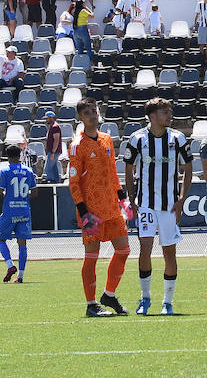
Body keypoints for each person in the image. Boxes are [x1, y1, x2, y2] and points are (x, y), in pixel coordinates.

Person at [121, 97, 192, 315]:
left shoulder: (178, 138)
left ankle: (167, 301)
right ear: (152, 116)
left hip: (169, 205)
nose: (169, 115)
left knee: (169, 252)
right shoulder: (137, 138)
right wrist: (132, 198)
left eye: (169, 111)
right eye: (165, 112)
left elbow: (188, 168)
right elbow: (129, 169)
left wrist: (181, 199)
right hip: (146, 205)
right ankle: (145, 298)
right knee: (145, 249)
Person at [69, 98, 132, 316]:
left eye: (94, 111)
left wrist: (122, 198)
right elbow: (74, 182)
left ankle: (109, 295)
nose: (92, 115)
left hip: (112, 208)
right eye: (87, 113)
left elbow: (113, 173)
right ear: (80, 118)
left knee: (124, 250)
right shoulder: (77, 145)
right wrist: (84, 212)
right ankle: (91, 305)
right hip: (92, 212)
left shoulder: (106, 139)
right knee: (91, 257)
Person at [0, 144, 35, 284]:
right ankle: (20, 276)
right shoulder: (28, 171)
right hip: (24, 210)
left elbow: (0, 192)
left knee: (1, 239)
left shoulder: (5, 171)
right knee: (22, 243)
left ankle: (10, 265)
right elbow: (35, 192)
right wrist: (23, 198)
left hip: (9, 210)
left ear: (7, 157)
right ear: (20, 155)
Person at [41, 111, 62, 182]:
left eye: (47, 118)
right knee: (54, 167)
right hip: (53, 151)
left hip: (54, 151)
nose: (46, 120)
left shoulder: (55, 127)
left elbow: (56, 140)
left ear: (51, 118)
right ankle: (57, 181)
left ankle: (50, 181)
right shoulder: (52, 126)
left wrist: (53, 152)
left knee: (48, 168)